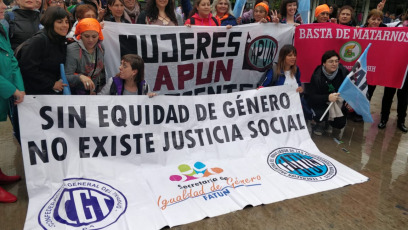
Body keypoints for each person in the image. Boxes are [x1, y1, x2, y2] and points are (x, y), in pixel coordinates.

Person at [0, 0, 24, 203]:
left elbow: (12, 60)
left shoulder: (1, 27)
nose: (3, 6)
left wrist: (19, 87)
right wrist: (11, 89)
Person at [17, 6, 71, 95]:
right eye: (60, 22)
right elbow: (27, 68)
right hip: (35, 95)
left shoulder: (60, 39)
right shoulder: (39, 40)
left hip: (49, 93)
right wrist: (51, 84)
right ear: (50, 22)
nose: (65, 25)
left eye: (67, 22)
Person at [305, 50, 349, 138]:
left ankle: (329, 122)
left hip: (337, 103)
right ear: (324, 63)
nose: (334, 64)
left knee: (340, 124)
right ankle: (319, 123)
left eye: (336, 61)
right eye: (331, 61)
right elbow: (311, 97)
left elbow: (349, 88)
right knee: (319, 115)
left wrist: (349, 100)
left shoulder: (343, 72)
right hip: (320, 104)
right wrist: (327, 97)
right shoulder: (317, 76)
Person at [377, 12, 408, 132]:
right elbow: (380, 27)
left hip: (406, 71)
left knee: (403, 97)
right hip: (393, 67)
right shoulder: (398, 25)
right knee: (388, 95)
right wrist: (379, 11)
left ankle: (401, 121)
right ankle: (383, 119)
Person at [65, 18, 105, 95]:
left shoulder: (101, 48)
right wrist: (80, 77)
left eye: (94, 36)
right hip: (73, 93)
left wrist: (93, 89)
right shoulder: (73, 50)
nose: (90, 40)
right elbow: (66, 76)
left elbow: (97, 73)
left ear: (99, 35)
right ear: (80, 35)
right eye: (86, 36)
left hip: (91, 92)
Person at [364, 9, 386, 101]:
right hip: (361, 67)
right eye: (373, 19)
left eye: (379, 19)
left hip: (374, 69)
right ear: (368, 19)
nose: (376, 22)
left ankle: (362, 113)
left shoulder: (385, 33)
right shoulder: (360, 30)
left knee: (369, 93)